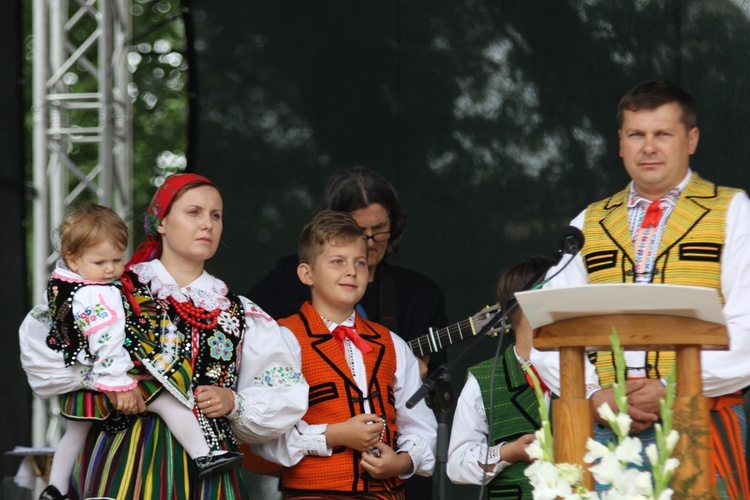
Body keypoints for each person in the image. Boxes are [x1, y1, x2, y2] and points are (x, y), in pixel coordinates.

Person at [530, 80, 750, 498]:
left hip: (697, 420)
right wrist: (596, 395)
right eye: (636, 134)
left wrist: (668, 388)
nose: (648, 147)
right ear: (620, 143)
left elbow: (748, 327)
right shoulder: (588, 222)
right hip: (604, 432)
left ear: (691, 140)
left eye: (662, 134)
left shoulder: (733, 211)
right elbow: (545, 333)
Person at [53, 173, 308, 499]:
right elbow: (56, 350)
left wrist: (234, 402)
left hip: (208, 472)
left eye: (216, 215)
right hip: (123, 462)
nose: (208, 224)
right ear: (161, 222)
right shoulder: (112, 291)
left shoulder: (238, 312)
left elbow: (283, 392)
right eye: (194, 212)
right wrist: (111, 384)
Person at [26, 204, 246, 500]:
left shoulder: (61, 286)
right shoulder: (101, 293)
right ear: (73, 259)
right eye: (100, 261)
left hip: (84, 381)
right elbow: (108, 340)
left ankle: (55, 488)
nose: (110, 269)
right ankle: (204, 454)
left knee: (73, 434)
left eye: (117, 260)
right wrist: (119, 382)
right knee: (168, 401)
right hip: (114, 379)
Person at [251, 210, 437, 499]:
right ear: (306, 273)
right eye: (337, 261)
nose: (351, 271)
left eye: (360, 263)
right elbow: (264, 434)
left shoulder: (392, 344)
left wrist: (401, 462)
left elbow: (421, 425)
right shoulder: (283, 339)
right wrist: (333, 435)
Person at [248, 166, 448, 376]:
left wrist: (419, 379)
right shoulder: (289, 278)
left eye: (379, 229)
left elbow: (439, 381)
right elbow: (250, 339)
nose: (370, 242)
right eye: (360, 231)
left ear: (394, 225)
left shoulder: (422, 294)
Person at [447, 256, 551, 498]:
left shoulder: (586, 370)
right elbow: (457, 465)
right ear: (527, 303)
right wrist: (508, 453)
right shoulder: (484, 378)